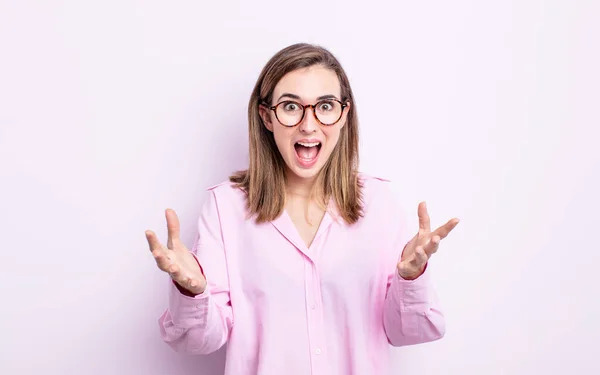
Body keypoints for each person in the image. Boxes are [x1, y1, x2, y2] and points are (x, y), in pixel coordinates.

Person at [145, 43, 459, 375]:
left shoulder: (379, 204)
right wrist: (192, 292)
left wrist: (410, 279)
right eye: (291, 106)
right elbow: (200, 341)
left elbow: (409, 332)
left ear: (343, 114)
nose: (309, 125)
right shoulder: (225, 207)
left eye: (325, 105)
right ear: (267, 116)